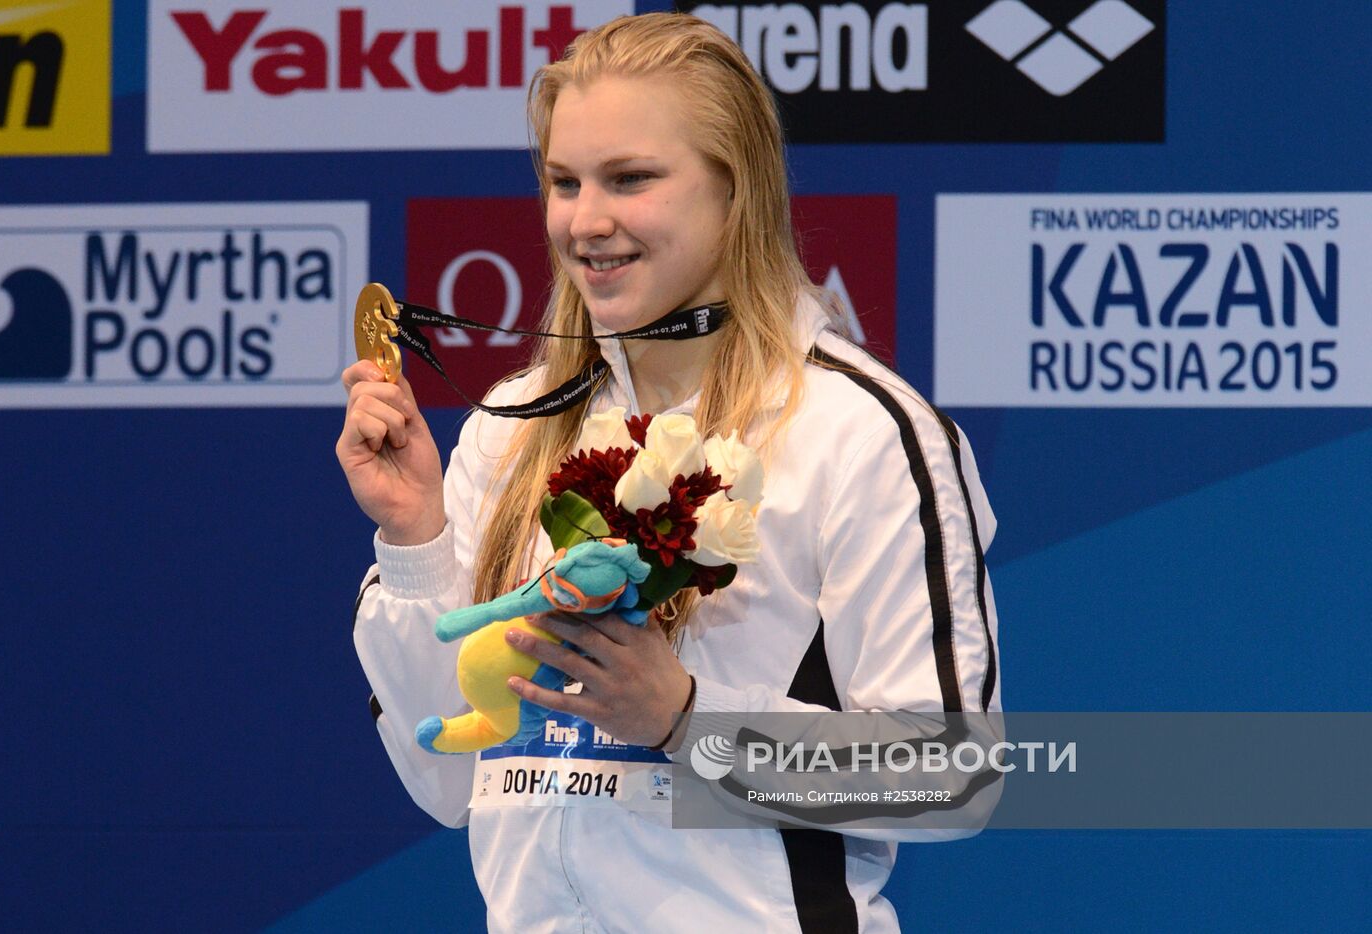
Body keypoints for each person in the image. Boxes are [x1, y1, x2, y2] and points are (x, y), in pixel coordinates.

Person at [339, 12, 999, 932]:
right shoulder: (510, 428)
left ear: (736, 190)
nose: (586, 220)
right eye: (564, 182)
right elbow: (450, 780)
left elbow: (953, 775)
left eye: (631, 179)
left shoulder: (857, 431)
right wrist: (414, 537)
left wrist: (687, 719)